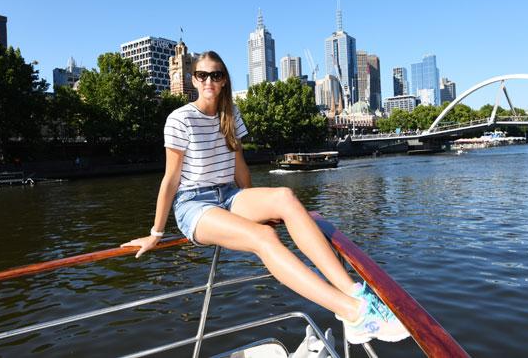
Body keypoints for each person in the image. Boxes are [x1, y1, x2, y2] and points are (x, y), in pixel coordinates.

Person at [122, 51, 409, 345]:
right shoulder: (179, 118)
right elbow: (170, 179)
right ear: (193, 79)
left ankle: (352, 291)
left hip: (231, 195)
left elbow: (239, 167)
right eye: (202, 75)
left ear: (224, 81)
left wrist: (256, 205)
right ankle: (354, 313)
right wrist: (155, 233)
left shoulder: (230, 114)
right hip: (194, 204)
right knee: (264, 237)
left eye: (216, 75)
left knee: (285, 196)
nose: (209, 81)